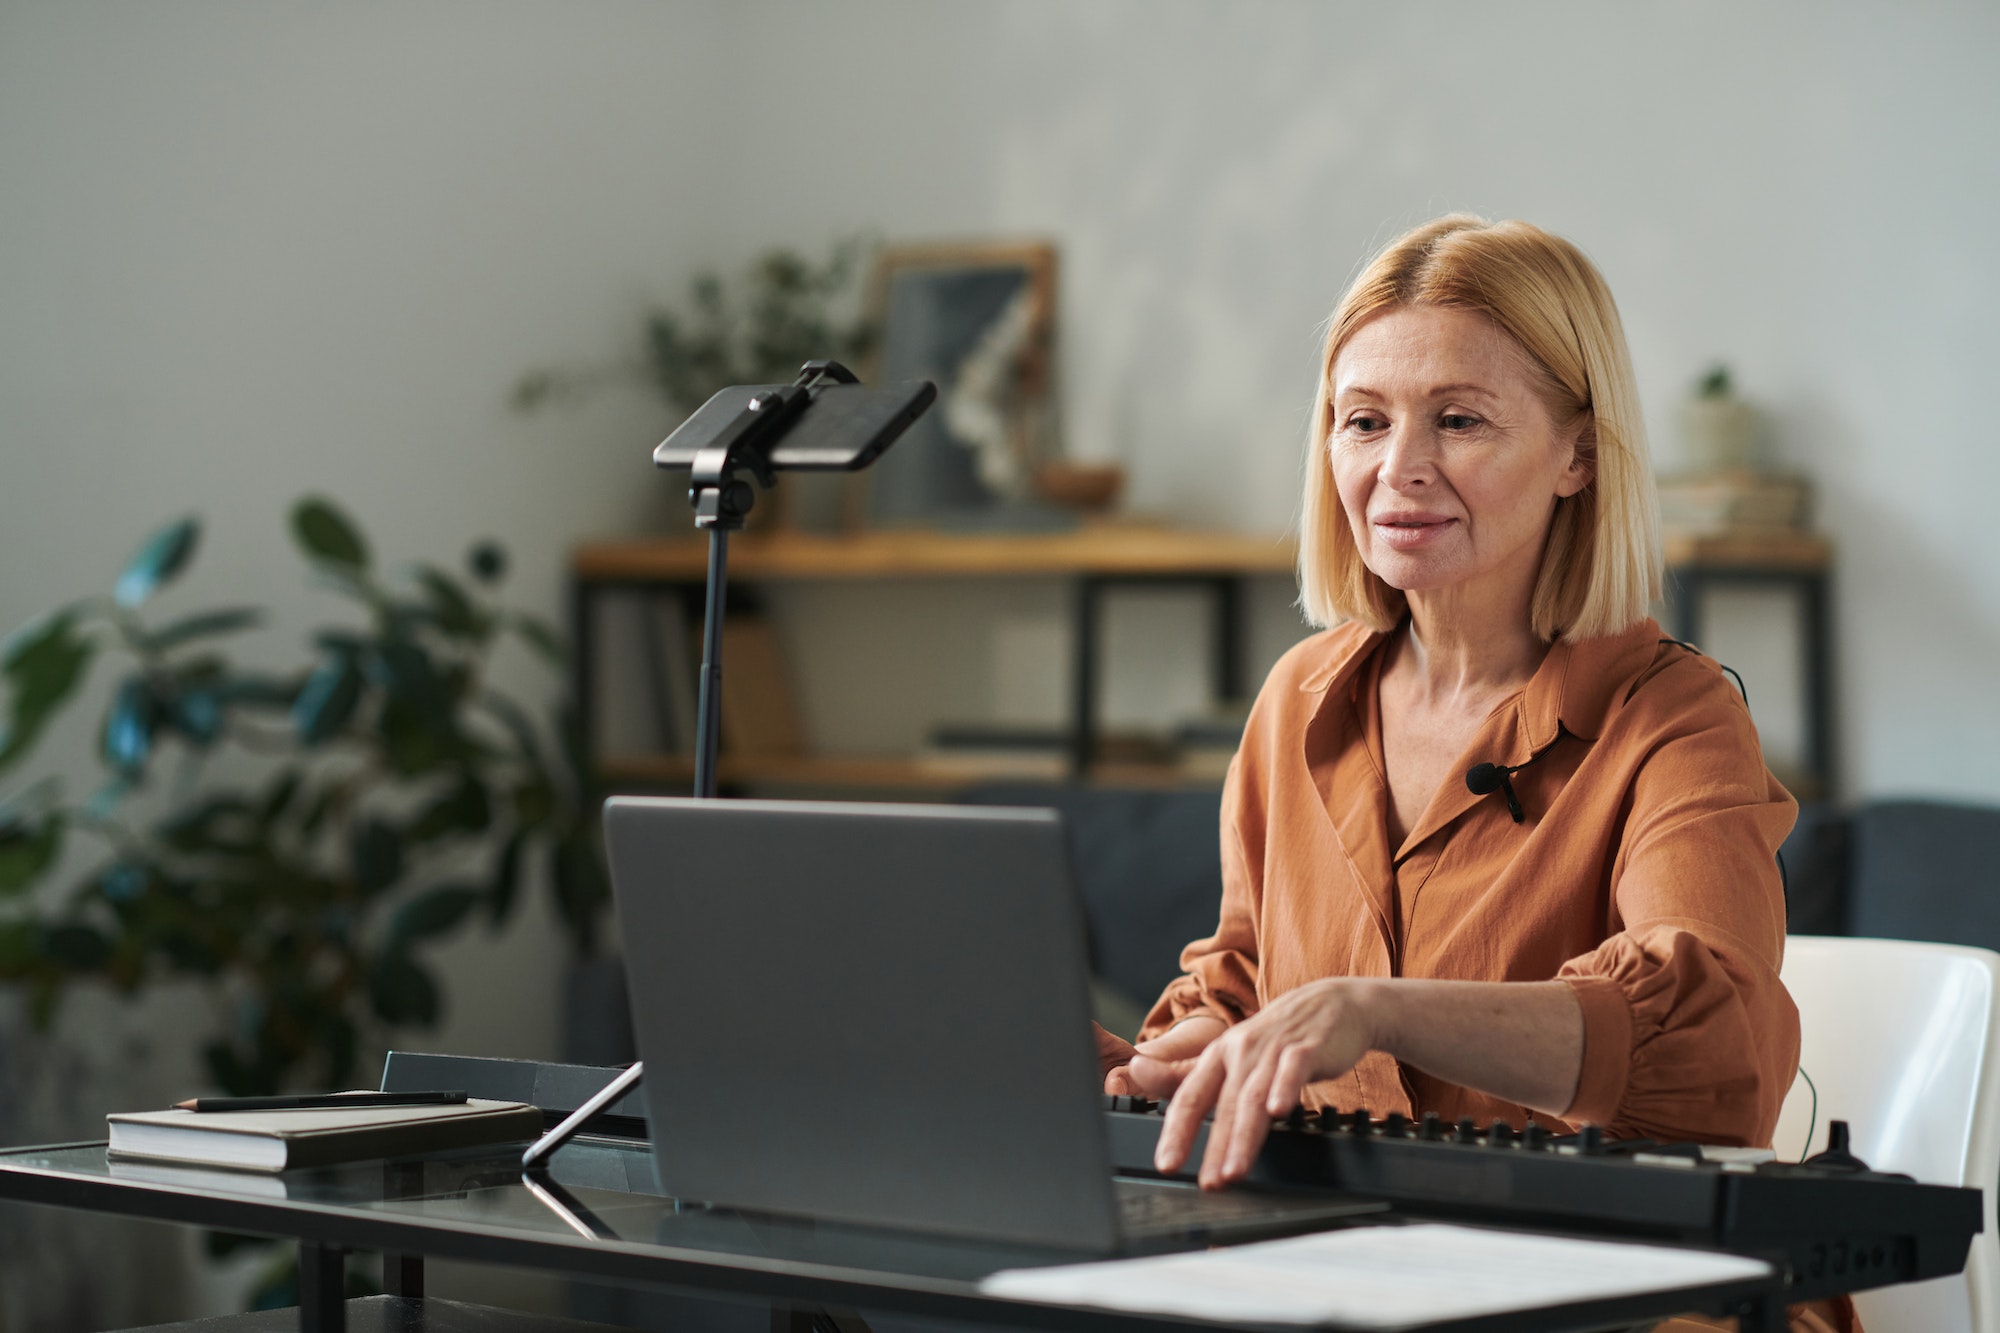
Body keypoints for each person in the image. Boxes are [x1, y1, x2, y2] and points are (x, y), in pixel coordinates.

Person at [1093, 215, 1853, 1333]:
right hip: (1352, 1269)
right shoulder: (1296, 701)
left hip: (1631, 1290)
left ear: (1578, 455)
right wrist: (1157, 1062)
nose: (1397, 468)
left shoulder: (1672, 717)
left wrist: (1372, 1011)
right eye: (1361, 421)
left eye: (1457, 420)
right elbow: (1244, 986)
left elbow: (1721, 1052)